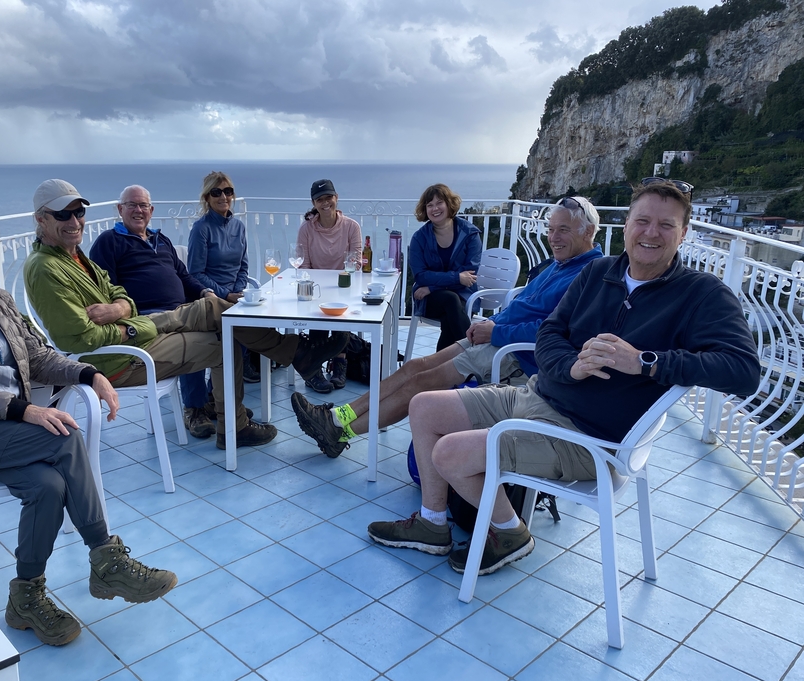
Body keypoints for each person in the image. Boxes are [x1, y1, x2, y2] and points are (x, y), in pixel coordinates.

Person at [367, 179, 760, 576]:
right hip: (539, 397)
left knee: (448, 453)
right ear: (625, 225)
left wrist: (643, 361)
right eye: (642, 221)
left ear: (684, 233)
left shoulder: (701, 294)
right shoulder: (598, 273)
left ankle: (509, 532)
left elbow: (743, 371)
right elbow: (551, 334)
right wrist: (570, 367)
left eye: (666, 225)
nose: (651, 233)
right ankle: (433, 524)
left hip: (591, 437)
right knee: (424, 407)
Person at [0, 199, 178, 647]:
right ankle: (108, 560)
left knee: (48, 486)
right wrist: (25, 410)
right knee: (62, 434)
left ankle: (25, 598)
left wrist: (89, 373)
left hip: (1, 435)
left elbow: (39, 355)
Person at [24, 179, 344, 450]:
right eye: (63, 214)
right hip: (120, 358)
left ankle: (241, 417)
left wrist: (120, 308)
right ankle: (293, 359)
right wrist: (132, 326)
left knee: (220, 318)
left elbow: (121, 295)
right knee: (219, 323)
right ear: (41, 219)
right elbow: (78, 338)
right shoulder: (48, 267)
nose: (74, 221)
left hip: (145, 328)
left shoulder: (78, 254)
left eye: (78, 212)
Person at [292, 196, 603, 458]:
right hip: (493, 334)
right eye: (550, 229)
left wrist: (494, 331)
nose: (553, 237)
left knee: (420, 384)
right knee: (414, 366)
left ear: (588, 230)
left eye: (563, 230)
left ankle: (337, 430)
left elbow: (552, 332)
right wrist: (491, 323)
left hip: (512, 353)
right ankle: (338, 415)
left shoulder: (587, 276)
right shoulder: (562, 264)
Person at [89, 184, 222, 439]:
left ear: (151, 210)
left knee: (225, 326)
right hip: (146, 317)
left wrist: (205, 292)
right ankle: (194, 409)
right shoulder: (109, 241)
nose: (138, 210)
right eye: (132, 205)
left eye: (143, 206)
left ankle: (214, 401)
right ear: (120, 209)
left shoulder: (161, 240)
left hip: (181, 309)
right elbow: (106, 290)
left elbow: (184, 276)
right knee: (199, 329)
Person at [185, 171, 261, 404]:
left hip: (235, 296)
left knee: (261, 324)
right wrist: (226, 294)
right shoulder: (202, 228)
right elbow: (195, 273)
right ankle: (216, 397)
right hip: (211, 297)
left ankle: (218, 394)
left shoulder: (238, 227)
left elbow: (243, 266)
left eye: (228, 191)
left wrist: (238, 292)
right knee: (236, 334)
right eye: (216, 192)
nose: (223, 197)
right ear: (207, 198)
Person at [295, 178, 360, 391]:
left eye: (329, 198)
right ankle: (314, 370)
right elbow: (303, 264)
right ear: (313, 203)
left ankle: (339, 363)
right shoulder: (306, 229)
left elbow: (356, 262)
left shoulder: (352, 227)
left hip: (344, 286)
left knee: (341, 322)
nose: (325, 203)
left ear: (336, 198)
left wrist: (340, 279)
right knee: (317, 317)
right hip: (316, 287)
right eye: (320, 199)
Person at [409, 184, 483, 351]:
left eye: (439, 202)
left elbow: (470, 275)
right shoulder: (419, 238)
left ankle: (441, 369)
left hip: (462, 296)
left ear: (449, 204)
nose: (435, 208)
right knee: (451, 301)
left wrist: (432, 286)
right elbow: (420, 276)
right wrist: (457, 278)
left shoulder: (470, 234)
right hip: (430, 300)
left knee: (451, 319)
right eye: (429, 205)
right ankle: (474, 354)